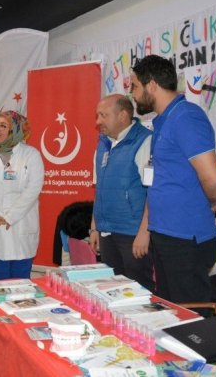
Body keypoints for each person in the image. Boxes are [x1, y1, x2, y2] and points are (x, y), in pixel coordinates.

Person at [129, 55, 216, 305]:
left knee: (192, 317)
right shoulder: (164, 120)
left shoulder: (185, 117)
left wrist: (214, 205)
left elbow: (213, 179)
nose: (132, 94)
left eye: (134, 86)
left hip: (185, 238)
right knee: (172, 313)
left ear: (152, 85)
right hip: (165, 234)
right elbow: (160, 182)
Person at [89, 94, 154, 291]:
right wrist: (94, 227)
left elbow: (153, 192)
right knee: (114, 290)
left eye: (103, 115)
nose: (98, 121)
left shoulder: (145, 141)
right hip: (107, 231)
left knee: (138, 291)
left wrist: (144, 233)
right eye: (97, 115)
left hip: (133, 233)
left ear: (123, 116)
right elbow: (99, 189)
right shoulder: (102, 144)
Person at [0, 110, 44, 280]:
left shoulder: (31, 155)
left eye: (3, 126)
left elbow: (33, 189)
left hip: (21, 224)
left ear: (16, 130)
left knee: (21, 277)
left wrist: (10, 216)